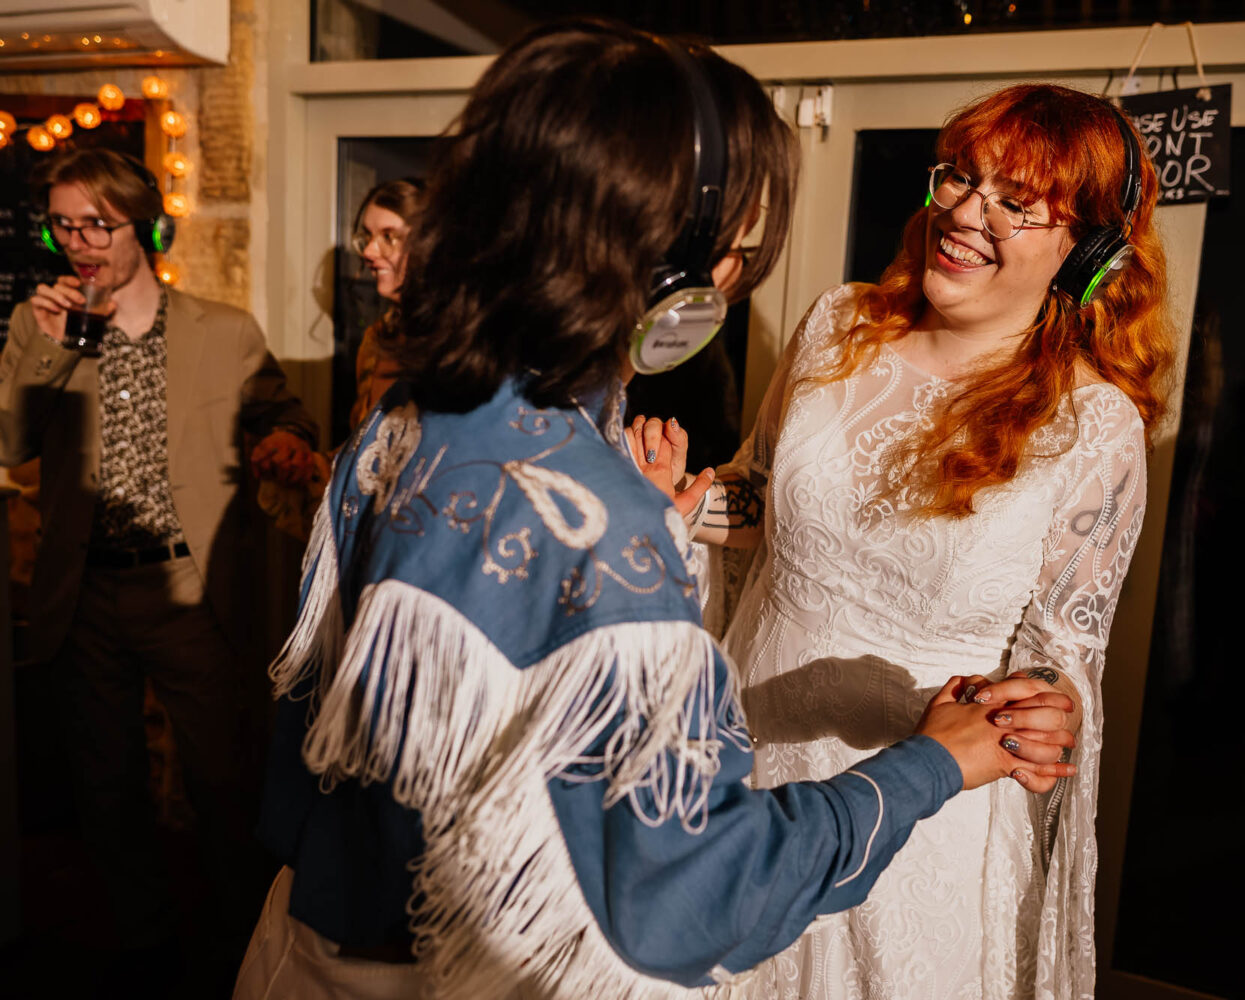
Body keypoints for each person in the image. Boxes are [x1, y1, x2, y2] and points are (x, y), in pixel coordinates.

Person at [235, 22, 1078, 1000]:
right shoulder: (593, 519)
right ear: (675, 275)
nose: (737, 271)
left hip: (303, 937)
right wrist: (933, 762)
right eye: (736, 247)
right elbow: (697, 898)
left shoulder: (413, 413)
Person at [674, 83, 1175, 998]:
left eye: (1015, 202)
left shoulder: (1093, 426)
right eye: (962, 178)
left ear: (1085, 253)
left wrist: (1046, 708)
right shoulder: (838, 326)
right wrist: (679, 502)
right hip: (745, 754)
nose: (967, 213)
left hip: (919, 816)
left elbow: (1062, 655)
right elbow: (762, 502)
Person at [0, 149, 320, 972]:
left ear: (142, 224)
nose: (79, 242)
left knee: (224, 776)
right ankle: (143, 943)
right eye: (63, 226)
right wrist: (48, 348)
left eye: (97, 224)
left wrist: (283, 442)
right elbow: (10, 442)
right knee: (105, 782)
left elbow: (283, 415)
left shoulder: (224, 328)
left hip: (188, 585)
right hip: (84, 589)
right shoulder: (39, 324)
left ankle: (240, 945)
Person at [254, 177, 423, 539]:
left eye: (389, 237)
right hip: (371, 543)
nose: (370, 251)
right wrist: (300, 462)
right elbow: (365, 461)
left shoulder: (465, 345)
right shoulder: (378, 340)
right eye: (367, 237)